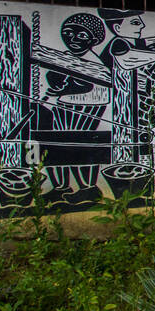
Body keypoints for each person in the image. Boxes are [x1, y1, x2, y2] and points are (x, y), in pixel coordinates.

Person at [43, 13, 110, 194]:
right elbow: (54, 75)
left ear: (93, 40)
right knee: (58, 143)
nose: (73, 39)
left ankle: (87, 187)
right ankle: (61, 186)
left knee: (79, 143)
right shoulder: (66, 56)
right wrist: (57, 86)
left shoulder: (93, 61)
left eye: (81, 36)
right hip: (64, 104)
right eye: (68, 32)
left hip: (88, 105)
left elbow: (87, 83)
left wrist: (63, 89)